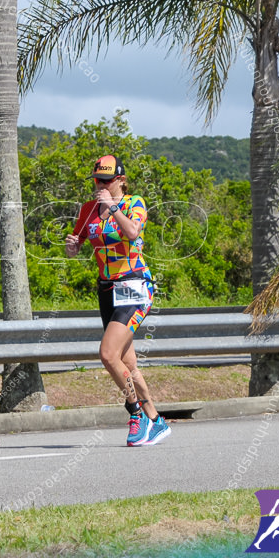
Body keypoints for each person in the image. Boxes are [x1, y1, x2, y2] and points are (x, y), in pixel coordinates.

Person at [64, 154, 171, 446]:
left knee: (108, 355)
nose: (99, 185)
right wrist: (73, 246)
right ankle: (155, 420)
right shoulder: (88, 209)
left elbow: (132, 231)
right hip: (107, 289)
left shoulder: (133, 203)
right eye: (96, 180)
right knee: (127, 363)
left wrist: (112, 207)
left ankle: (135, 412)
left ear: (120, 180)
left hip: (135, 285)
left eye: (106, 180)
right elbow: (77, 244)